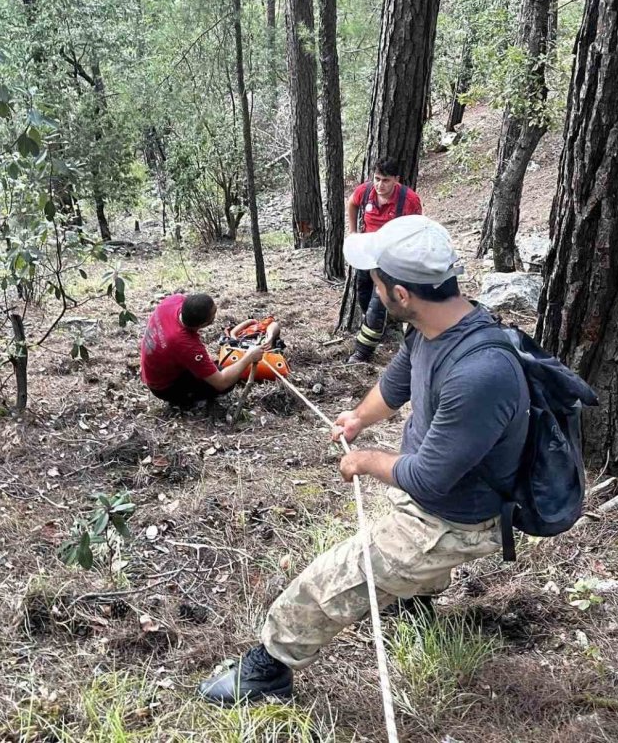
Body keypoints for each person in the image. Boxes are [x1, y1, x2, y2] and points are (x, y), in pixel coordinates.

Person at [198, 216, 531, 704]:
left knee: (331, 580)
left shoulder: (480, 373)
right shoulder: (436, 326)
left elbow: (430, 477)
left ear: (400, 294)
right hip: (438, 496)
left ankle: (268, 669)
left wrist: (365, 460)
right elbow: (397, 382)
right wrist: (357, 418)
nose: (372, 289)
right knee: (398, 546)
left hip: (455, 517)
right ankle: (412, 600)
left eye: (376, 281)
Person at [345, 157, 422, 364]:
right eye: (377, 179)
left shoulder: (409, 200)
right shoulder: (365, 191)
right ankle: (377, 327)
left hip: (391, 258)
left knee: (377, 302)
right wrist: (353, 231)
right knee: (363, 292)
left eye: (386, 180)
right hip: (367, 252)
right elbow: (352, 203)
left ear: (396, 179)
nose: (380, 185)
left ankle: (362, 352)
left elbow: (417, 228)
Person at [140, 292, 263, 408]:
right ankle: (187, 400)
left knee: (214, 367)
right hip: (163, 386)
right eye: (214, 313)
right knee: (228, 383)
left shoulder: (174, 300)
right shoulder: (186, 344)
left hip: (155, 367)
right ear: (204, 324)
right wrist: (249, 357)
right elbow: (222, 382)